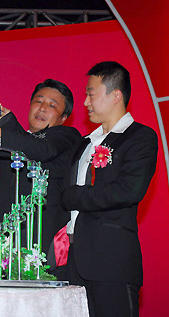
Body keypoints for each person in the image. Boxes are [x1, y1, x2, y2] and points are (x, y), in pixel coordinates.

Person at [62, 61, 158, 316]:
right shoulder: (85, 143)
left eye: (90, 94)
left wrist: (75, 197)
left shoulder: (139, 137)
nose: (85, 102)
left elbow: (129, 190)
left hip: (111, 260)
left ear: (116, 95)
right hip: (75, 260)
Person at [0, 79, 81, 280]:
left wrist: (3, 128)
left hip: (40, 242)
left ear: (63, 117)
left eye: (52, 105)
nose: (42, 108)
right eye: (38, 101)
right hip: (3, 241)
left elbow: (42, 149)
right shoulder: (15, 140)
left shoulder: (66, 135)